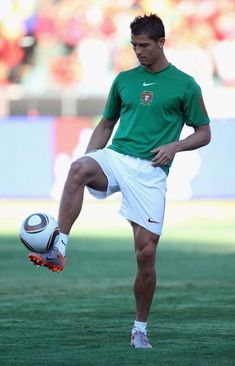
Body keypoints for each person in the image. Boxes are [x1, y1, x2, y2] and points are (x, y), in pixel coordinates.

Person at [28, 14, 211, 348]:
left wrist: (176, 146)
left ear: (161, 43)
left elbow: (204, 132)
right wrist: (88, 159)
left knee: (145, 254)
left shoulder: (185, 85)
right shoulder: (124, 81)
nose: (138, 52)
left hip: (151, 172)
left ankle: (140, 328)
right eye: (134, 46)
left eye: (144, 45)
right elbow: (106, 123)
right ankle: (59, 247)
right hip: (117, 157)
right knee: (78, 168)